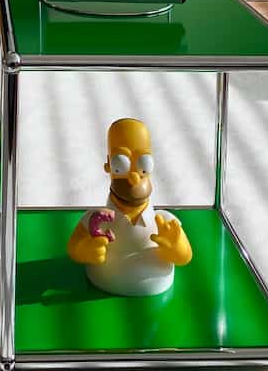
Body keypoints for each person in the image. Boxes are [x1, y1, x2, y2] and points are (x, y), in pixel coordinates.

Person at [66, 118, 192, 296]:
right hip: (103, 280)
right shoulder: (97, 221)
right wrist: (85, 250)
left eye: (143, 165)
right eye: (120, 166)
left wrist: (176, 247)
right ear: (108, 166)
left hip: (157, 282)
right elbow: (73, 248)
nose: (133, 178)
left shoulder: (163, 222)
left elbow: (185, 256)